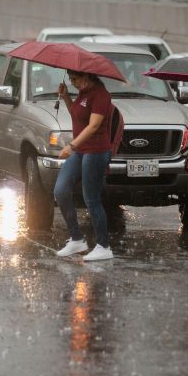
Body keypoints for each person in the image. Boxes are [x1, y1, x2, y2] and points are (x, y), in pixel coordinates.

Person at [54, 70, 114, 261]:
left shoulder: (100, 95)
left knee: (91, 199)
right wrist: (65, 97)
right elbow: (77, 114)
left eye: (75, 79)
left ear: (87, 76)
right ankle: (77, 239)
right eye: (70, 80)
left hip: (95, 151)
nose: (72, 83)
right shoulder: (83, 93)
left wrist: (72, 145)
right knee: (61, 191)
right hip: (81, 151)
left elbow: (94, 125)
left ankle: (104, 246)